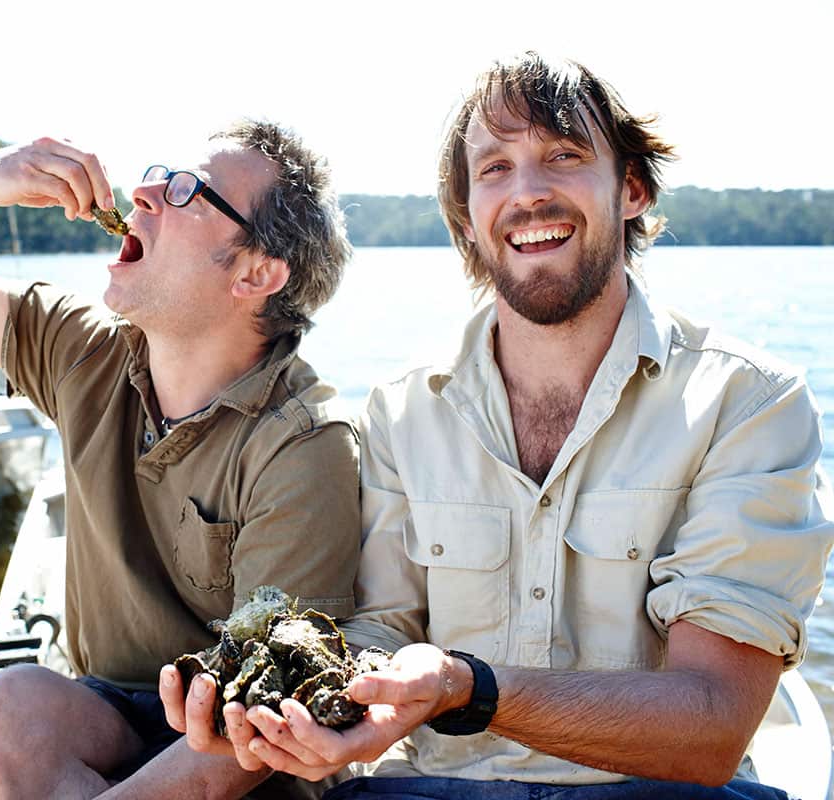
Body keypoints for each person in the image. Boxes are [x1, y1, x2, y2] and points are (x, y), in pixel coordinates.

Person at [163, 53, 834, 799]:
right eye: (494, 168)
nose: (529, 193)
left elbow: (712, 725)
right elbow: (381, 631)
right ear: (467, 216)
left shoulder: (747, 401)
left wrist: (468, 689)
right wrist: (298, 704)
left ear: (633, 188)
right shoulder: (402, 408)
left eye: (564, 156)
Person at [0, 119, 361, 799]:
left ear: (256, 272)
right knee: (7, 706)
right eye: (159, 173)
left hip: (242, 751)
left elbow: (258, 728)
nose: (146, 190)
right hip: (108, 710)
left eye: (187, 191)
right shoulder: (84, 351)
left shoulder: (303, 444)